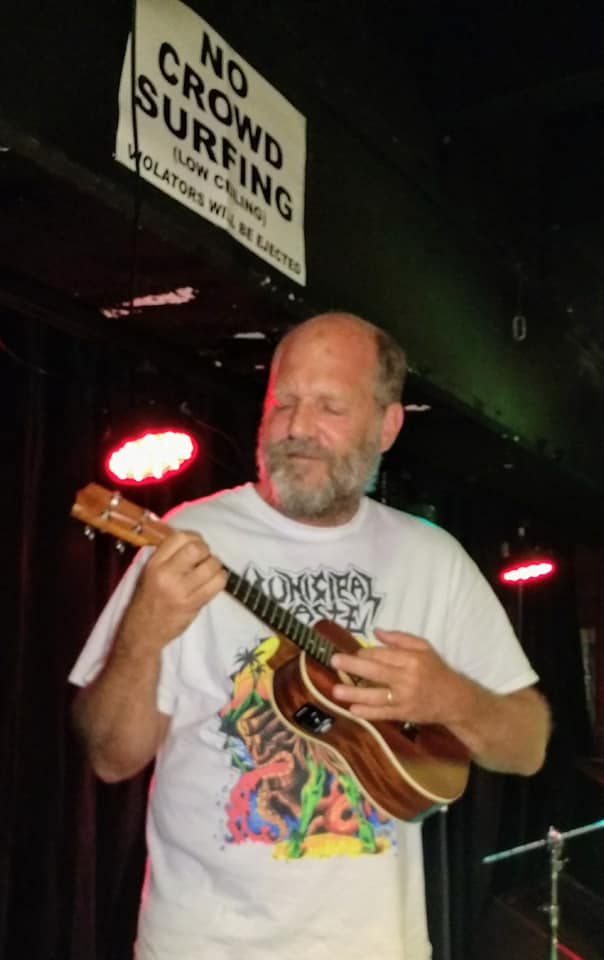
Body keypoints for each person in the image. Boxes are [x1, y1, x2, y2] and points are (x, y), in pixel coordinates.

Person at [70, 311, 550, 960]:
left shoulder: (432, 559)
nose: (297, 428)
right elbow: (110, 756)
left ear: (387, 425)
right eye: (284, 402)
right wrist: (142, 637)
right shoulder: (187, 538)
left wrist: (452, 699)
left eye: (329, 406)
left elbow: (528, 743)